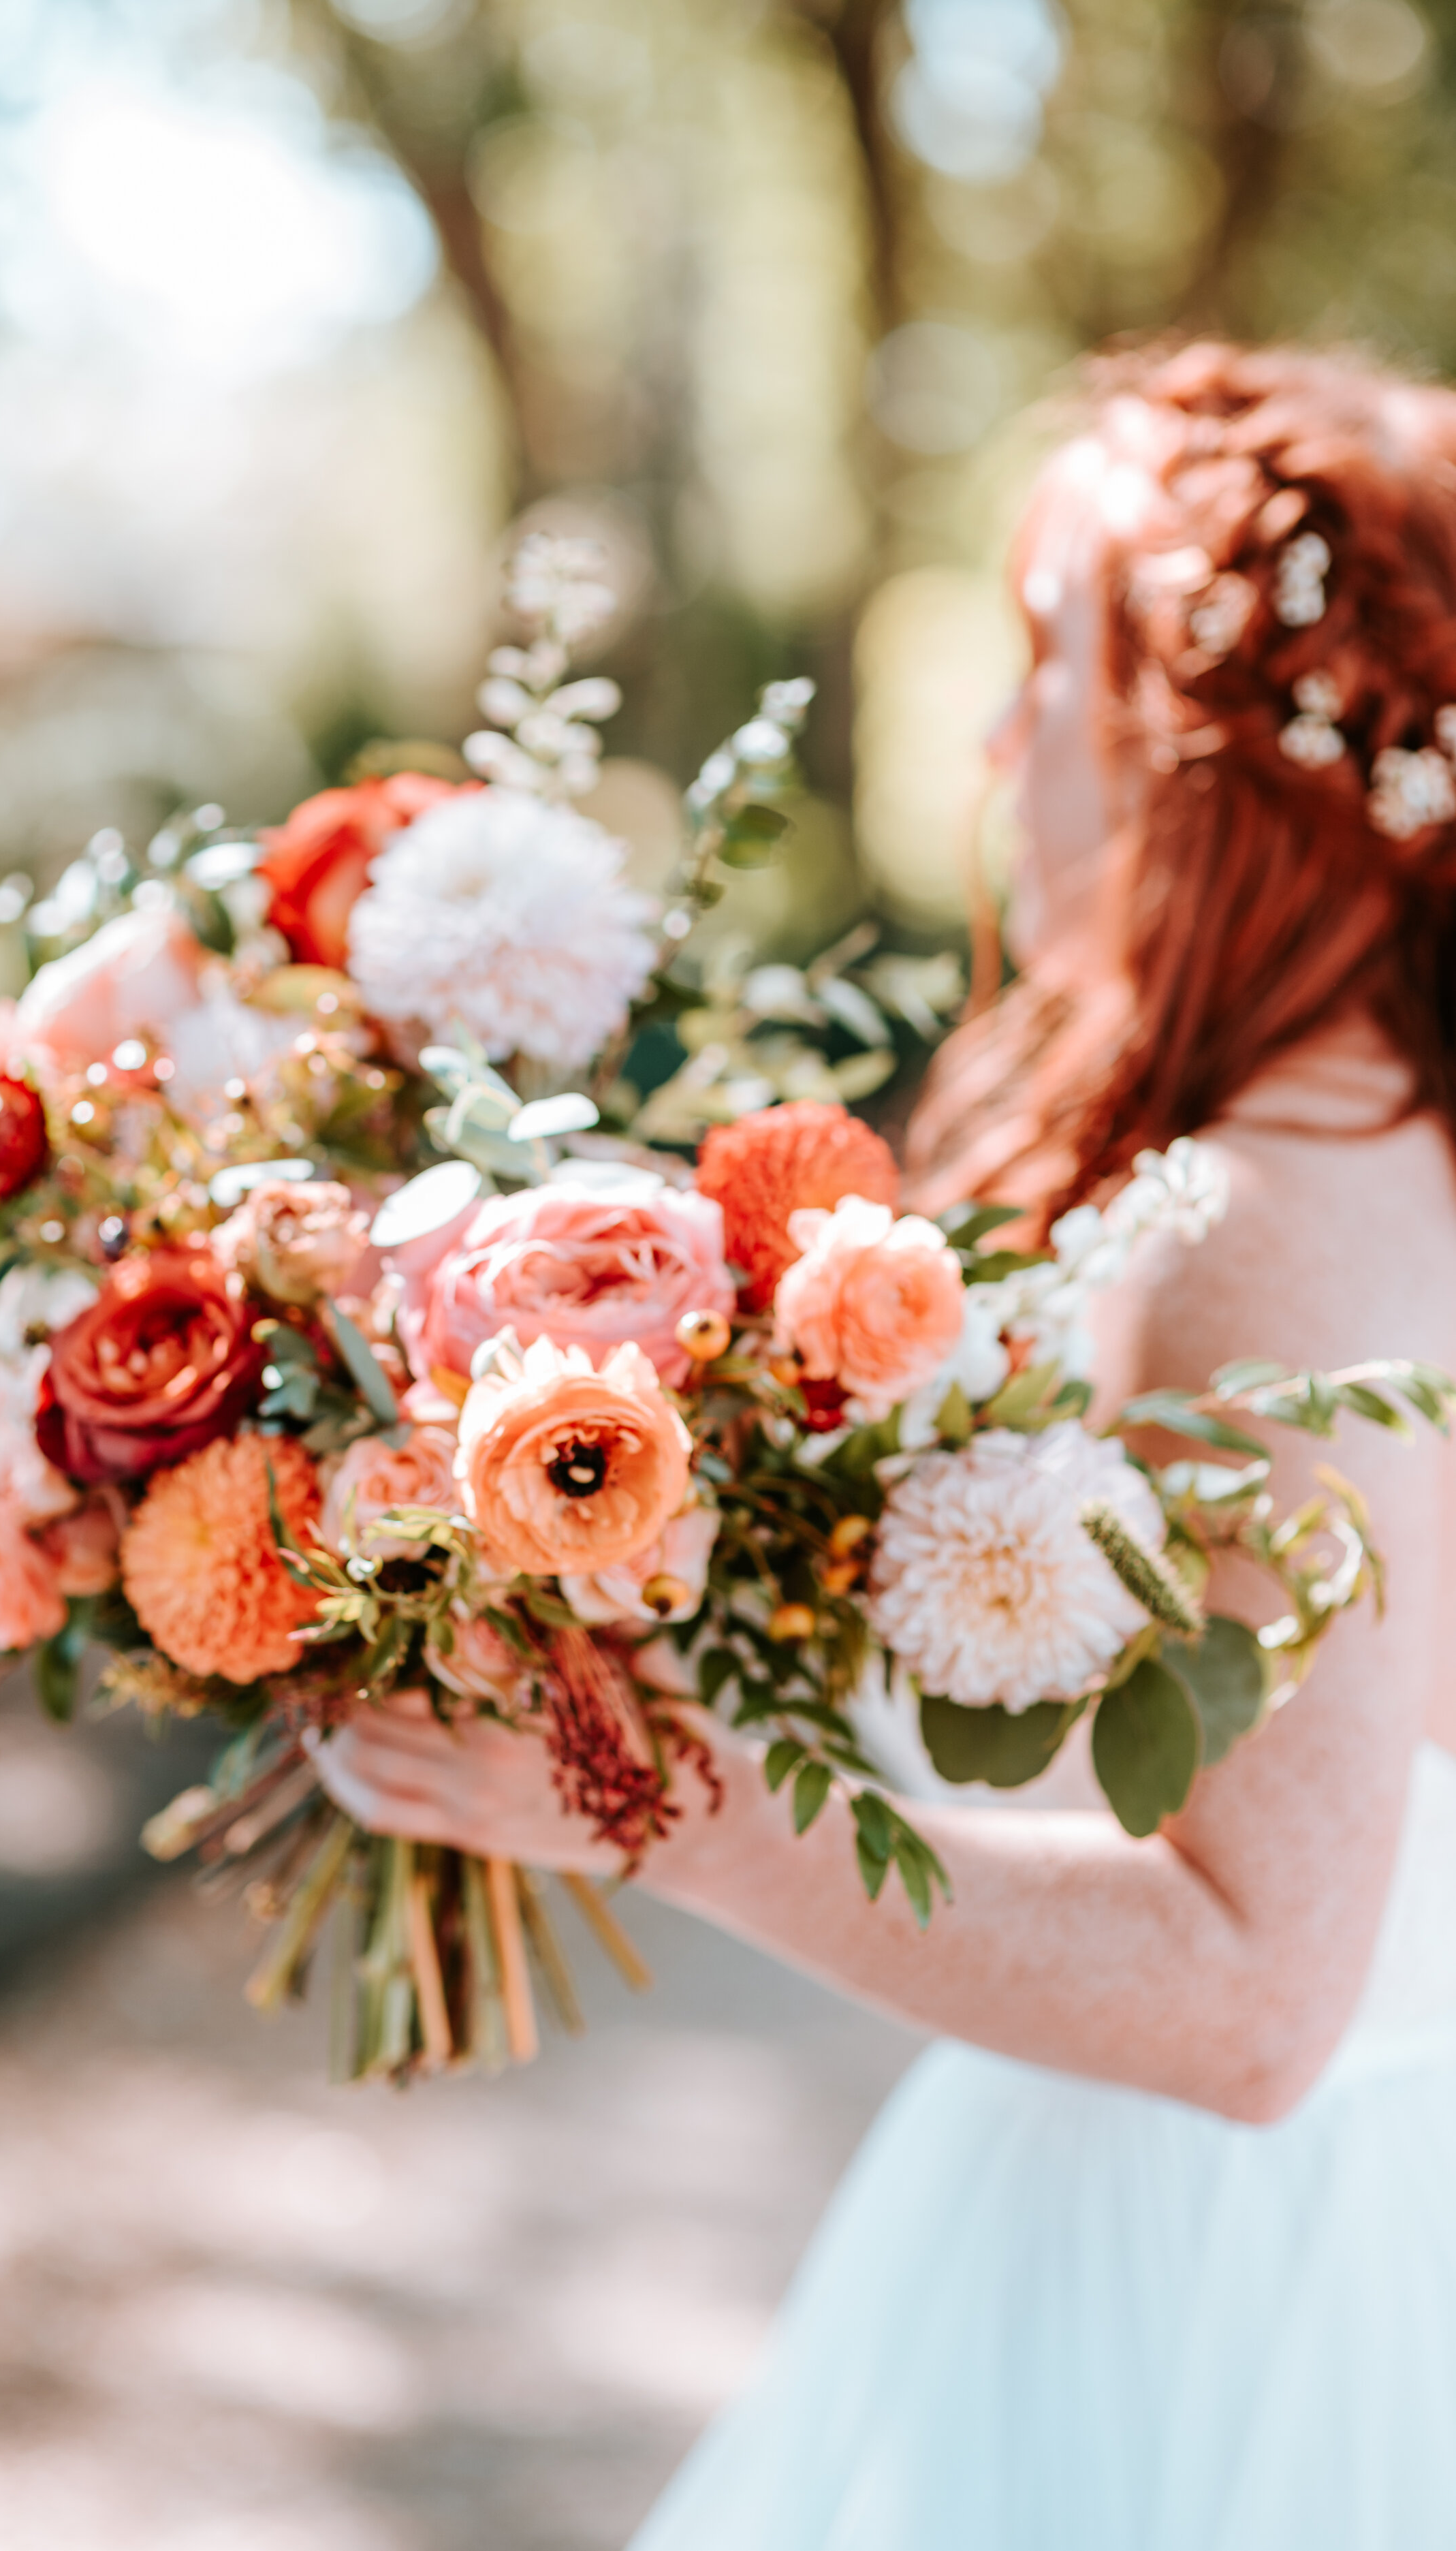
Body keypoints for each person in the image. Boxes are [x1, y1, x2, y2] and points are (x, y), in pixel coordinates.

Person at [321, 342, 1456, 2547]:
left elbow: (1250, 1994)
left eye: (1044, 663)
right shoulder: (1335, 1143)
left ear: (1209, 755)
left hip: (1229, 2268)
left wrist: (667, 1807)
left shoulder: (1281, 1212)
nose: (989, 737)